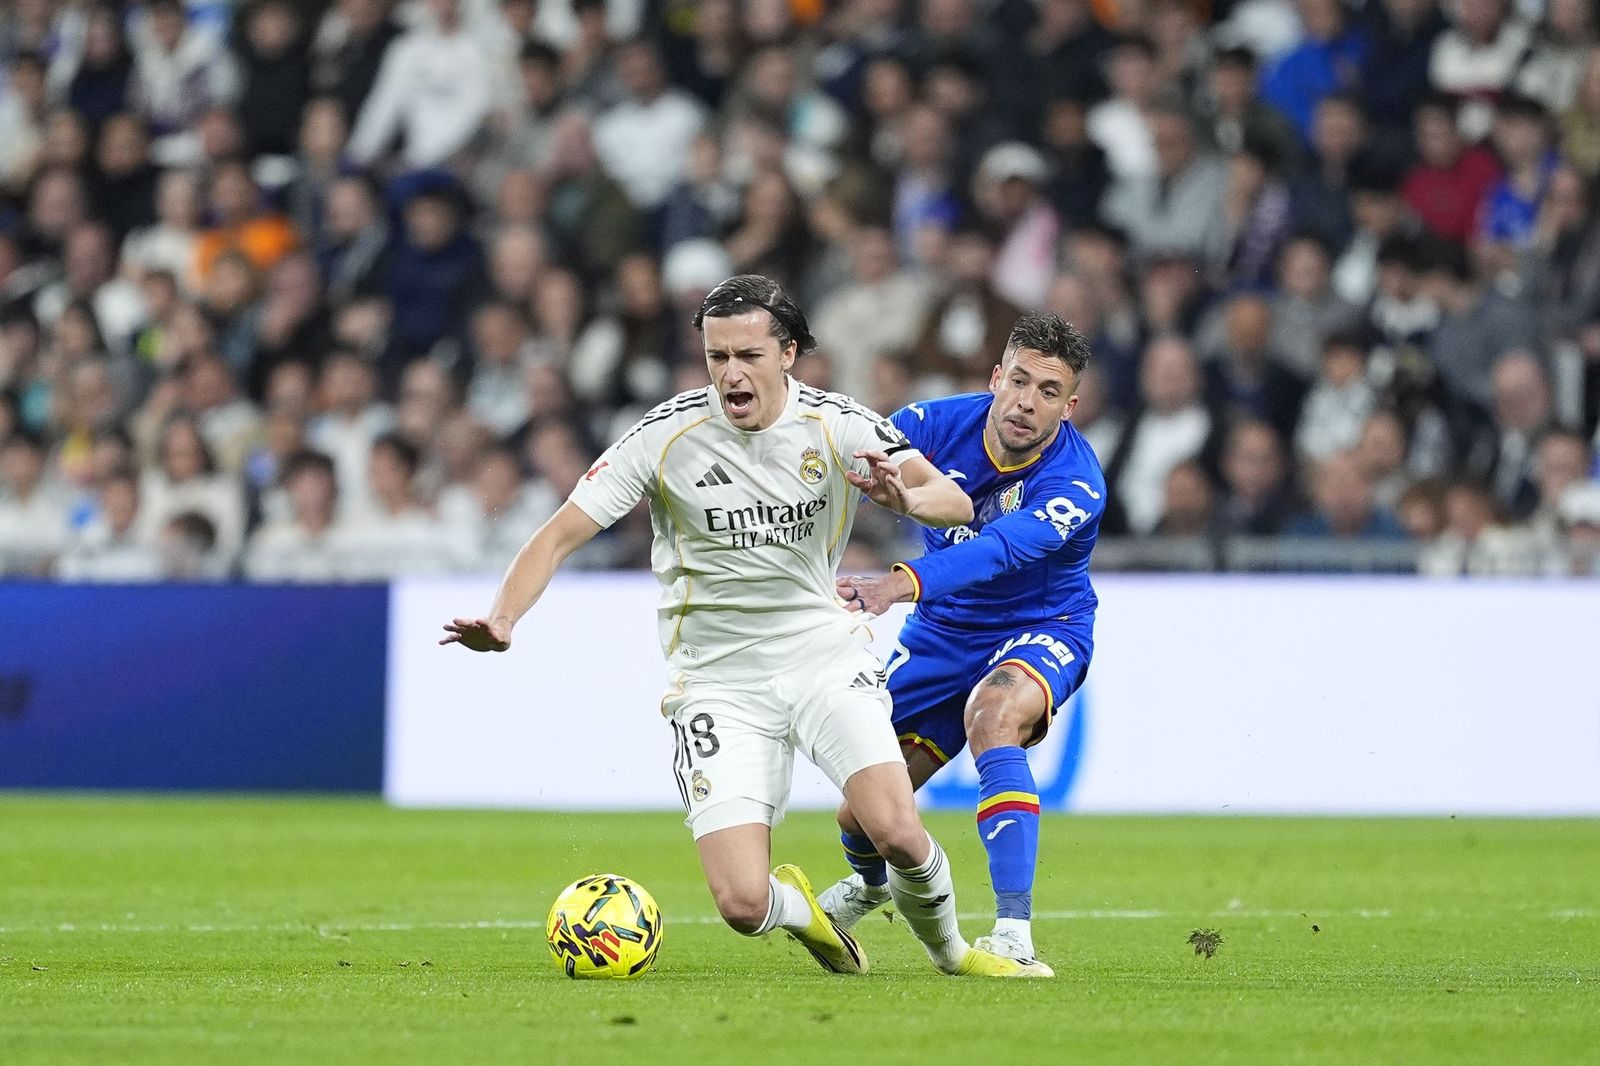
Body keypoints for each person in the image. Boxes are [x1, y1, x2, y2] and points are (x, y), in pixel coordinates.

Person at [442, 274, 1044, 979]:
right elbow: (556, 535)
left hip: (822, 657)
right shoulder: (665, 437)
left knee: (895, 833)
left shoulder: (837, 423)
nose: (730, 372)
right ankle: (804, 914)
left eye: (748, 355)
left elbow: (951, 500)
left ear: (787, 353)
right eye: (716, 356)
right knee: (741, 904)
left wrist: (903, 495)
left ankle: (951, 953)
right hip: (718, 682)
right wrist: (504, 619)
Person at [815, 312, 1106, 969]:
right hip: (944, 630)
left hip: (1040, 625)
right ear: (996, 377)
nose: (1029, 402)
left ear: (1070, 405)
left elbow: (1000, 550)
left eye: (1049, 391)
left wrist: (900, 582)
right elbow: (837, 470)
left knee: (993, 715)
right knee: (861, 813)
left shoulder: (1078, 483)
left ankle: (1014, 934)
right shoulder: (930, 427)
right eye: (1021, 381)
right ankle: (869, 888)